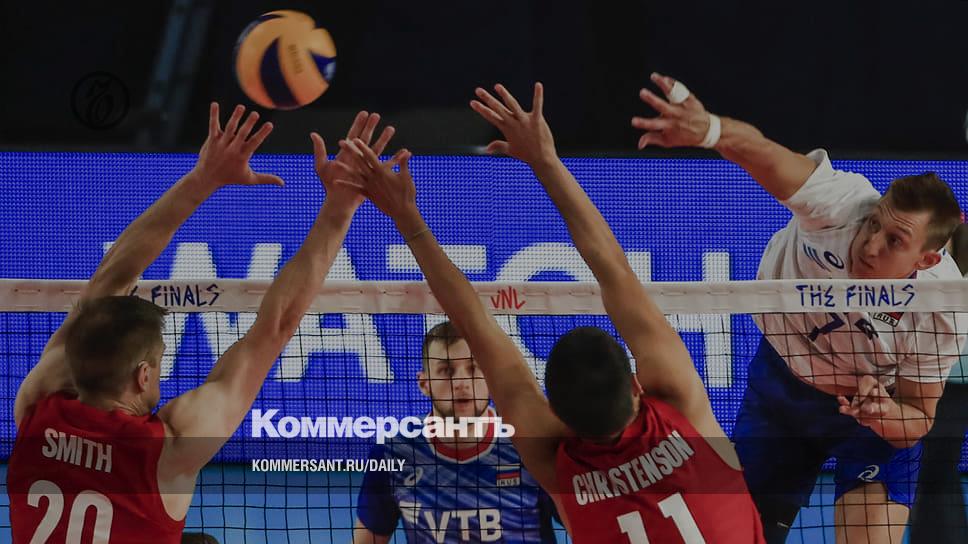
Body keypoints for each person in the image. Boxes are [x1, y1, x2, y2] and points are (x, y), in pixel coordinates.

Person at [338, 82, 764, 543]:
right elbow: (613, 268)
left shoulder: (555, 466)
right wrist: (546, 160)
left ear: (556, 412)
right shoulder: (684, 411)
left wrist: (407, 217)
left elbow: (476, 325)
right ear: (636, 385)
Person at [7, 105, 394, 543]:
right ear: (143, 375)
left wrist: (202, 179)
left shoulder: (36, 407)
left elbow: (107, 282)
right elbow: (275, 326)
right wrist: (340, 207)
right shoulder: (170, 449)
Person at [631, 72, 965, 543]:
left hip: (872, 409)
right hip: (783, 393)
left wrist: (882, 414)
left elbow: (917, 419)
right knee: (737, 537)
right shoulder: (840, 205)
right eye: (875, 224)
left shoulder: (941, 305)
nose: (870, 245)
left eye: (894, 241)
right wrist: (709, 130)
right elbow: (765, 153)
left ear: (925, 259)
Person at [352, 320, 558, 543]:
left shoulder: (529, 443)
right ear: (424, 384)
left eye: (473, 368)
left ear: (490, 377)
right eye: (446, 371)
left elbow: (579, 528)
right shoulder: (393, 452)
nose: (461, 382)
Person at [910, 223, 968, 543]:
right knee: (937, 467)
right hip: (943, 380)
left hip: (947, 381)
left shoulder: (938, 275)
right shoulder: (936, 271)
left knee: (936, 468)